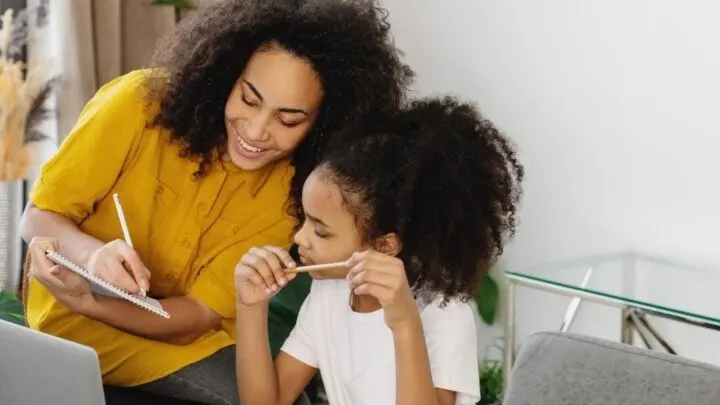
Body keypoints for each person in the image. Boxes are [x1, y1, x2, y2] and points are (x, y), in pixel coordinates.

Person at [21, 1, 413, 404]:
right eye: (249, 98)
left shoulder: (290, 196)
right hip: (72, 322)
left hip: (175, 335)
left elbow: (193, 318)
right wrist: (91, 259)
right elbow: (39, 218)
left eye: (289, 120)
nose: (257, 131)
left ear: (323, 124)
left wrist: (96, 304)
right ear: (225, 76)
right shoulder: (137, 104)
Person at [234, 96, 524, 405]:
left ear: (384, 245)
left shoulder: (445, 317)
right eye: (304, 220)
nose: (300, 238)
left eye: (321, 231)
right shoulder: (329, 294)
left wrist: (404, 323)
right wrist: (250, 307)